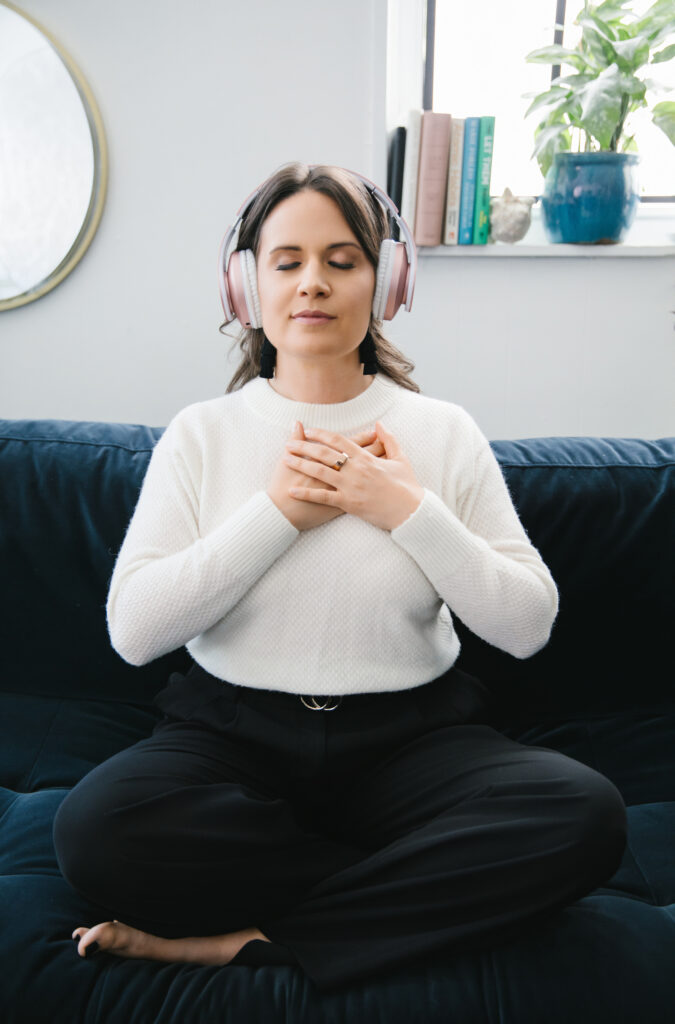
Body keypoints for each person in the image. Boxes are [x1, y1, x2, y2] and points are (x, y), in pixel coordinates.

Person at [52, 162, 627, 993]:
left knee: (583, 817)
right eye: (286, 261)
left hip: (413, 738)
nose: (312, 283)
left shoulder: (442, 432)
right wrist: (281, 512)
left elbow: (526, 625)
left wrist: (402, 508)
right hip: (233, 735)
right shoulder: (201, 434)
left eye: (341, 259)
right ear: (246, 285)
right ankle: (416, 890)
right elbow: (136, 632)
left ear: (388, 278)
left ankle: (252, 938)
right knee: (95, 833)